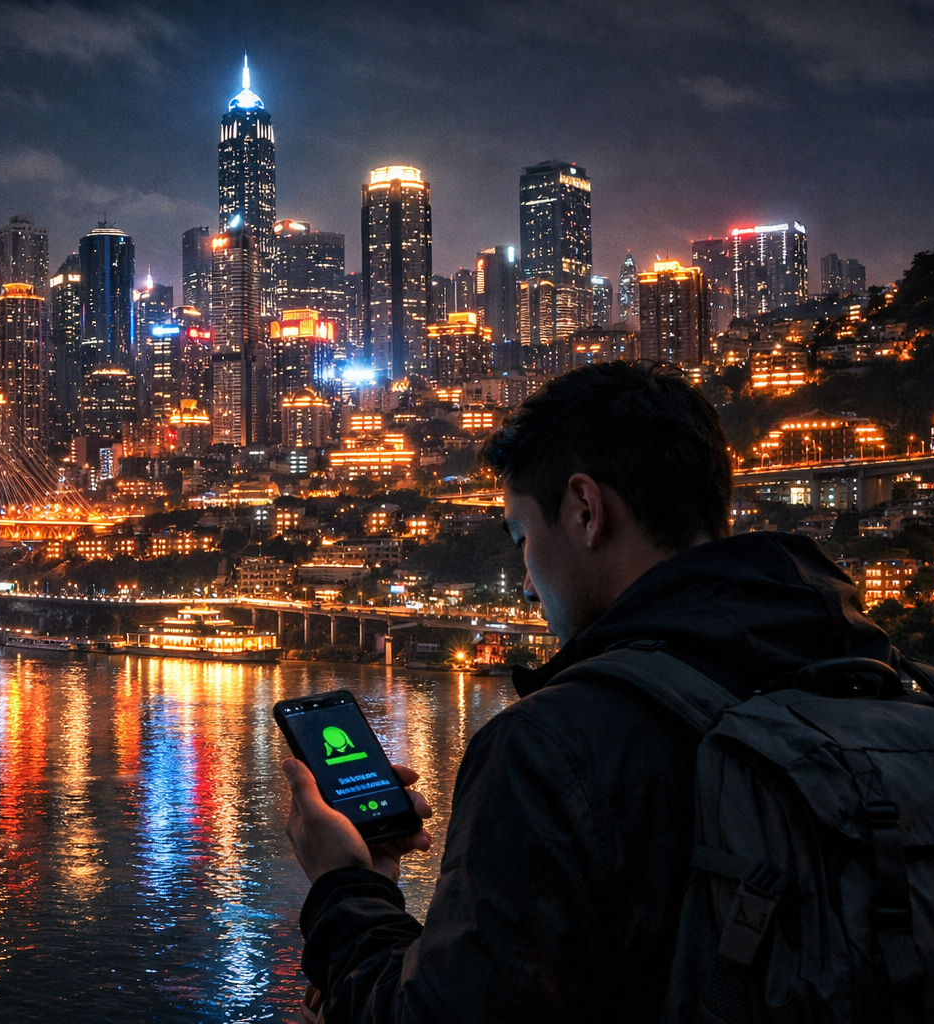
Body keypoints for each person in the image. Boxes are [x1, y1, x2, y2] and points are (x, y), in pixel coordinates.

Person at [281, 360, 896, 1022]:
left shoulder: (549, 750)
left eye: (522, 539)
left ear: (585, 509)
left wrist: (348, 889)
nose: (524, 582)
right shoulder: (883, 682)